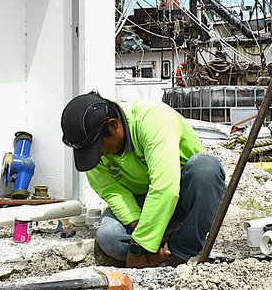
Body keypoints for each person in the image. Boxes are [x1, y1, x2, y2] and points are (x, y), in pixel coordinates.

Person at [60, 92, 225, 267]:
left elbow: (165, 187)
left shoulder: (152, 118)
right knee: (109, 236)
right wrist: (140, 229)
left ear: (113, 125)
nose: (99, 155)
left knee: (206, 168)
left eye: (98, 149)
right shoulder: (96, 149)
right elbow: (111, 190)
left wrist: (140, 246)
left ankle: (180, 250)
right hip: (143, 202)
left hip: (183, 193)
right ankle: (163, 241)